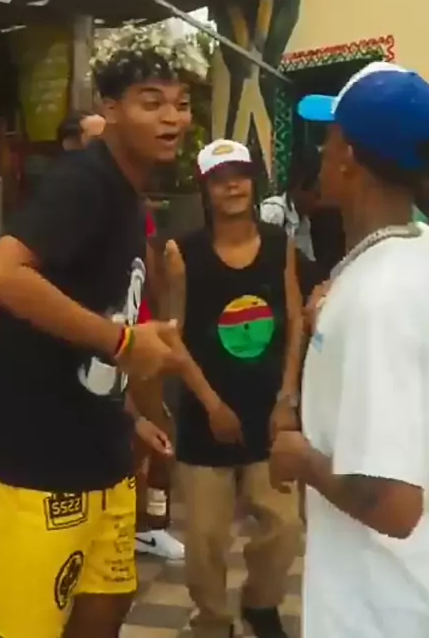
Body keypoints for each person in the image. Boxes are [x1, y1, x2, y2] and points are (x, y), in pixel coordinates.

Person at [0, 37, 218, 638]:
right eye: (150, 102)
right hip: (39, 466)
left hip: (103, 460)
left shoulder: (128, 192)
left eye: (180, 103)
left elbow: (102, 313)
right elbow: (2, 274)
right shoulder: (83, 183)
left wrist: (130, 413)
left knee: (106, 609)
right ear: (110, 108)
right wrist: (122, 344)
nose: (171, 118)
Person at [270, 61, 429, 638]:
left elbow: (395, 505)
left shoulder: (378, 299)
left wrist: (302, 459)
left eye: (330, 136)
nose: (320, 150)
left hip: (378, 610)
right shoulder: (409, 254)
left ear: (350, 158)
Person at [164, 139, 304, 638]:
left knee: (285, 526)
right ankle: (213, 621)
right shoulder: (182, 253)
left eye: (240, 176)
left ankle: (261, 605)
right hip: (206, 418)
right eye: (220, 179)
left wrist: (287, 398)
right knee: (205, 538)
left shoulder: (279, 245)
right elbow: (172, 338)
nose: (232, 187)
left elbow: (294, 321)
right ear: (205, 189)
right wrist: (211, 404)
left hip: (269, 414)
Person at [132, 207, 185, 561]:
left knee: (157, 432)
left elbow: (151, 272)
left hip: (139, 333)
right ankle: (143, 526)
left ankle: (148, 524)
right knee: (149, 434)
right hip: (121, 336)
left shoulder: (137, 210)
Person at [260, 151, 321, 260]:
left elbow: (309, 261)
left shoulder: (304, 223)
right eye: (316, 195)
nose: (317, 202)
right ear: (299, 188)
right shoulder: (274, 211)